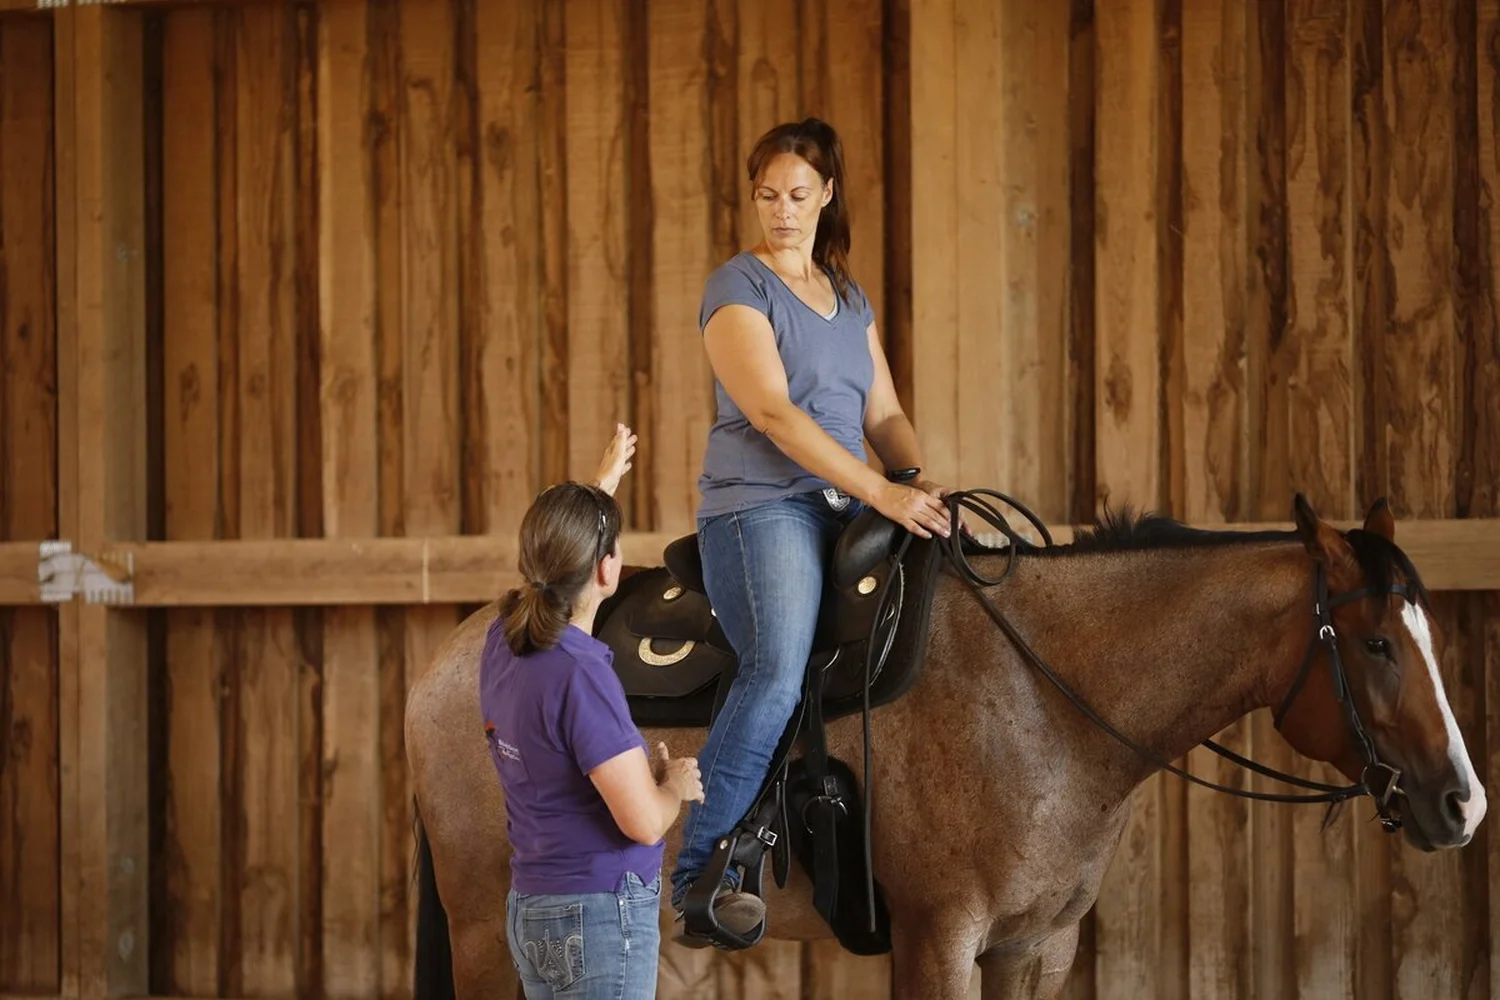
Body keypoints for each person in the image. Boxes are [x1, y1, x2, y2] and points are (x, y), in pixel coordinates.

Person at [669, 117, 954, 945]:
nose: (782, 212)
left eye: (798, 195)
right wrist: (880, 491)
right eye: (768, 196)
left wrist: (919, 485)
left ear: (827, 195)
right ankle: (702, 876)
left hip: (846, 500)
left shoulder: (849, 297)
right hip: (761, 506)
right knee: (775, 671)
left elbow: (886, 412)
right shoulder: (737, 287)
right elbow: (772, 412)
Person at [482, 423, 705, 999]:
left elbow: (549, 567)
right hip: (597, 914)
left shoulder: (502, 638)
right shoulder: (583, 674)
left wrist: (599, 489)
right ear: (607, 570)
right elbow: (643, 822)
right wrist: (674, 784)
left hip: (535, 907)